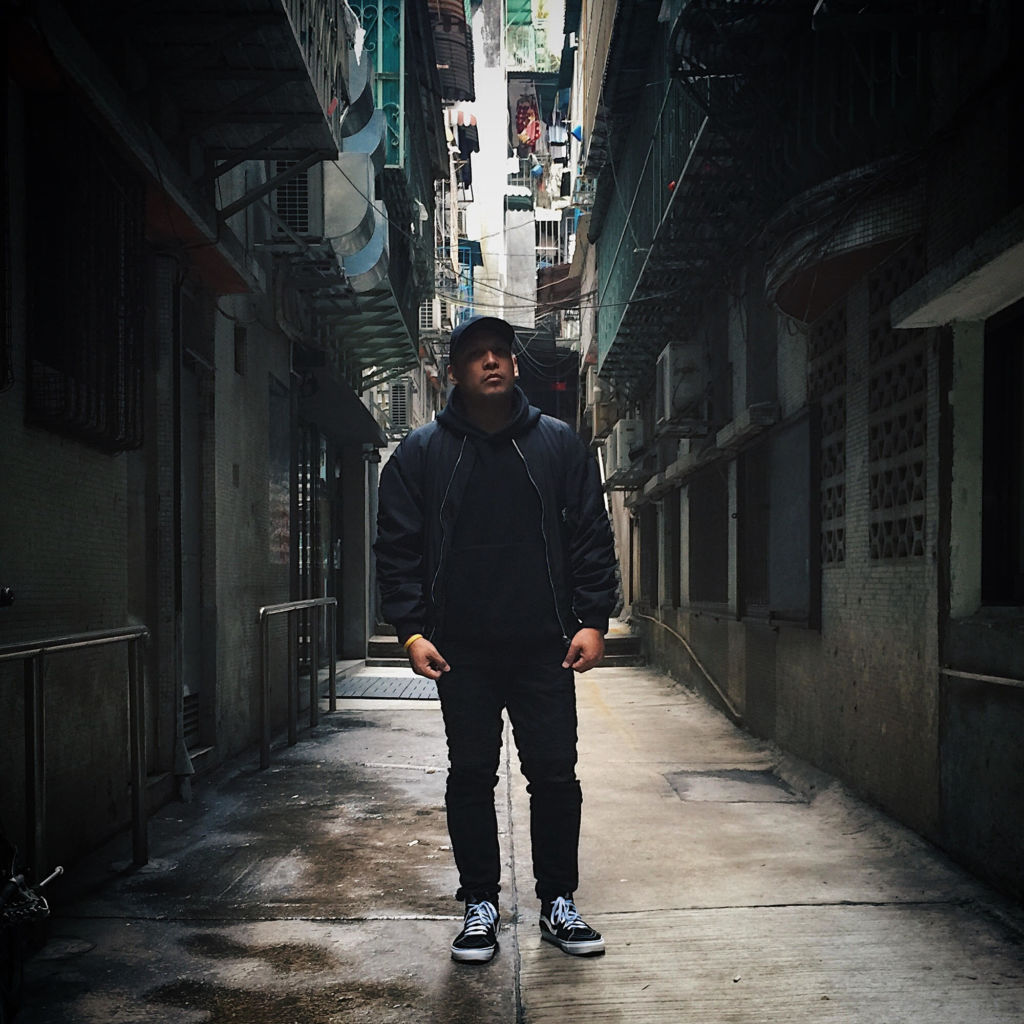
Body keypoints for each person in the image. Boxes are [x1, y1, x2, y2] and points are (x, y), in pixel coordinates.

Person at [374, 314, 619, 965]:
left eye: (500, 353)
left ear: (515, 365)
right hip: (462, 651)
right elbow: (395, 548)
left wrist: (593, 618)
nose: (491, 362)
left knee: (555, 775)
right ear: (454, 370)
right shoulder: (421, 454)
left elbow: (591, 536)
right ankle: (479, 905)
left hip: (545, 646)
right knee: (472, 775)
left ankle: (558, 903)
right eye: (476, 355)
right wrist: (411, 632)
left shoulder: (559, 445)